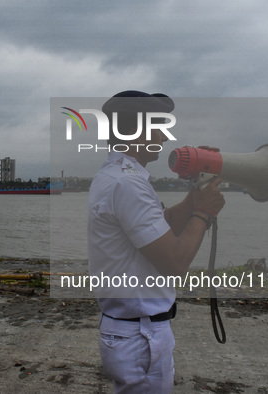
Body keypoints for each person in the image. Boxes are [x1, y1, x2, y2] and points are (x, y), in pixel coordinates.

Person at [87, 91, 225, 393]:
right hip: (140, 335)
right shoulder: (129, 184)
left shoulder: (117, 176)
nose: (164, 136)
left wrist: (196, 193)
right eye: (158, 126)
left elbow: (162, 227)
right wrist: (204, 211)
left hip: (133, 331)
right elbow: (175, 263)